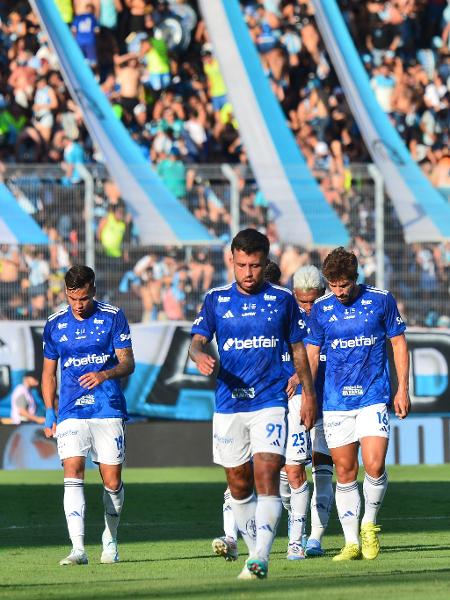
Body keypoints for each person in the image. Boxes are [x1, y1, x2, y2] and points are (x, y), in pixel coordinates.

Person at [189, 229, 316, 580]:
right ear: (231, 260)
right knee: (238, 485)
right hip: (229, 405)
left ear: (266, 262)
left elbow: (298, 350)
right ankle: (251, 554)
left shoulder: (283, 299)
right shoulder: (215, 300)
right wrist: (200, 356)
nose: (248, 273)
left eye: (255, 265)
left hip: (270, 401)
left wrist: (309, 395)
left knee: (266, 474)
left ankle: (260, 556)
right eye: (242, 265)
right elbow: (196, 342)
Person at [305, 247, 410, 561]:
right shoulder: (321, 309)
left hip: (372, 397)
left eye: (344, 285)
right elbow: (311, 354)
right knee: (346, 471)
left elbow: (399, 344)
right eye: (333, 285)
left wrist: (402, 388)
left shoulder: (381, 300)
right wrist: (308, 395)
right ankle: (351, 543)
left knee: (375, 464)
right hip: (335, 403)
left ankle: (369, 524)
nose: (339, 291)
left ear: (355, 278)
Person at [41, 265, 135, 566]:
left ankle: (110, 538)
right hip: (71, 409)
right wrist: (48, 411)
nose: (78, 305)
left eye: (82, 298)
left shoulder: (113, 316)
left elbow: (128, 363)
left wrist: (105, 374)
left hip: (107, 407)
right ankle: (78, 549)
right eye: (72, 298)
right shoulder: (55, 323)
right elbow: (48, 373)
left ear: (92, 289)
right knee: (73, 471)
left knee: (112, 480)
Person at [286, 266, 333, 560]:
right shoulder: (285, 314)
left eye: (312, 300)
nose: (307, 307)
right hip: (296, 401)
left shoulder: (331, 312)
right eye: (302, 301)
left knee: (324, 470)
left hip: (329, 400)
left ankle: (315, 537)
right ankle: (297, 535)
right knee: (293, 469)